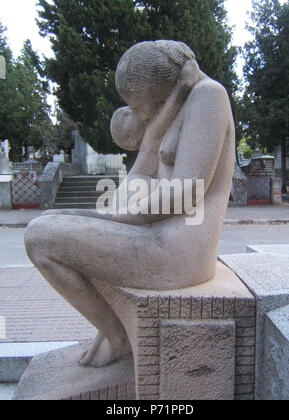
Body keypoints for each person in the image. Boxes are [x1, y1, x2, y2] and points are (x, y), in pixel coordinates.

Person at [25, 40, 235, 368]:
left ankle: (118, 336)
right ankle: (115, 331)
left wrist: (115, 219)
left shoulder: (209, 97)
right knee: (55, 219)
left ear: (163, 91)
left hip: (178, 251)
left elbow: (187, 191)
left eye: (143, 107)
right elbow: (140, 172)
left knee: (40, 239)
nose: (140, 116)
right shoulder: (180, 104)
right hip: (156, 233)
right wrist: (159, 123)